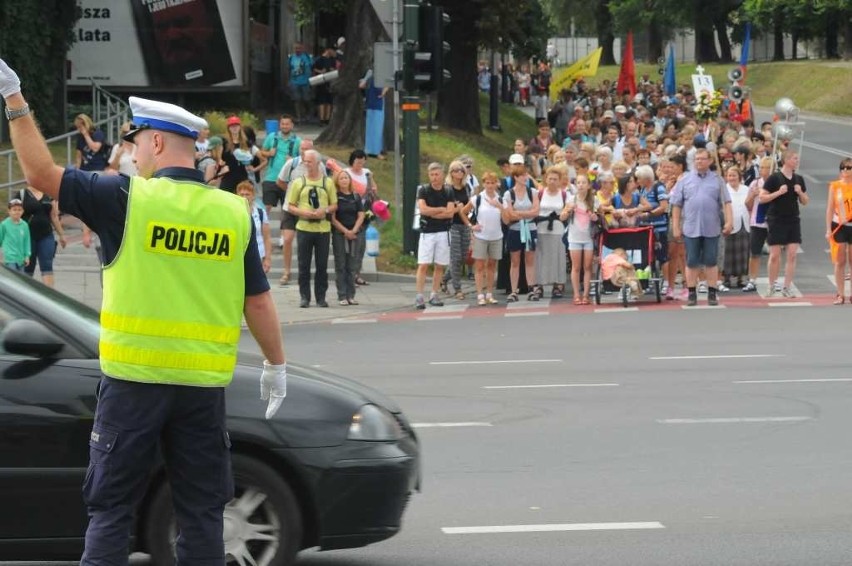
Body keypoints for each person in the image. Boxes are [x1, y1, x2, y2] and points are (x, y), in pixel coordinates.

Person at [0, 55, 287, 565]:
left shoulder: (125, 197)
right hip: (201, 388)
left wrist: (14, 99)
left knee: (112, 510)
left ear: (155, 143)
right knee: (201, 513)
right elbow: (257, 298)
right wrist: (275, 364)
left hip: (133, 382)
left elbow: (39, 173)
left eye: (134, 145)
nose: (132, 155)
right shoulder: (231, 211)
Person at [670, 148, 733, 307]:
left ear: (710, 161)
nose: (699, 162)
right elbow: (676, 205)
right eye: (697, 159)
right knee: (691, 261)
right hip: (691, 227)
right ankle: (692, 292)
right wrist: (676, 227)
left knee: (711, 261)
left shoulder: (717, 180)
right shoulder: (684, 180)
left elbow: (726, 202)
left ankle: (712, 292)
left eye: (703, 159)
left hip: (711, 227)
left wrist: (729, 222)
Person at [287, 149, 337, 308]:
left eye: (309, 161)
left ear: (317, 163)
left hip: (322, 229)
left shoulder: (327, 182)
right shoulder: (298, 182)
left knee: (322, 265)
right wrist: (304, 212)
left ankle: (321, 297)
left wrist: (325, 211)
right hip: (304, 227)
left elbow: (334, 204)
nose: (307, 164)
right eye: (305, 161)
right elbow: (290, 206)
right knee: (304, 265)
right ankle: (304, 296)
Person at [759, 149, 809, 297]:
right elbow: (762, 198)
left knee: (792, 254)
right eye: (794, 158)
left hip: (793, 219)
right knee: (774, 255)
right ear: (786, 160)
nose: (797, 161)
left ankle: (787, 287)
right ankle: (772, 285)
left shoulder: (799, 179)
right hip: (776, 219)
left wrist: (800, 192)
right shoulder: (774, 178)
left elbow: (805, 201)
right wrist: (778, 193)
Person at [276, 139, 325, 286]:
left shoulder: (319, 166)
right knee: (288, 239)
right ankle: (286, 271)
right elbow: (280, 181)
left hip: (309, 209)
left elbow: (324, 184)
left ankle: (306, 271)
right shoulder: (291, 164)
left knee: (308, 242)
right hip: (290, 208)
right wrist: (292, 194)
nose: (303, 152)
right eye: (302, 148)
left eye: (307, 149)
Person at [415, 162, 454, 309]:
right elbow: (423, 210)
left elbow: (450, 212)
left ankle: (434, 293)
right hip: (427, 232)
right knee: (424, 264)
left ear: (442, 175)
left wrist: (435, 213)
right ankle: (419, 295)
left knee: (440, 264)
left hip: (443, 231)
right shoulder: (424, 190)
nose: (434, 177)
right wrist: (439, 210)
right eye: (431, 174)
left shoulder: (448, 191)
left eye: (437, 174)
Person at [503, 164, 541, 302]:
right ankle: (514, 290)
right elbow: (509, 215)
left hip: (530, 229)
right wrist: (526, 214)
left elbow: (536, 212)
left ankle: (531, 288)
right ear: (516, 177)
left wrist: (518, 213)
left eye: (526, 175)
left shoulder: (533, 192)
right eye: (522, 175)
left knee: (530, 259)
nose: (526, 178)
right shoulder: (509, 193)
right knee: (515, 260)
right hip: (515, 230)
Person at [330, 169, 365, 305]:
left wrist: (354, 230)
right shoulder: (335, 197)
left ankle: (351, 295)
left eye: (346, 178)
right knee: (341, 264)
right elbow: (333, 218)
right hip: (340, 234)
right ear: (337, 181)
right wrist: (345, 231)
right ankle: (342, 295)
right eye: (341, 178)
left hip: (354, 234)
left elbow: (361, 215)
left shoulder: (356, 197)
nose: (344, 180)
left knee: (352, 265)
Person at [344, 149, 378, 287]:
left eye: (362, 161)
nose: (359, 164)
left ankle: (357, 274)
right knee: (351, 246)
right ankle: (349, 275)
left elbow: (375, 188)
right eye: (357, 161)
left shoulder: (367, 172)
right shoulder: (346, 173)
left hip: (364, 212)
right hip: (350, 213)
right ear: (352, 161)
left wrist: (371, 185)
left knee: (361, 245)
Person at [20, 184, 66, 287]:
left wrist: (62, 235)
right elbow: (14, 214)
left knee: (47, 265)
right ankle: (25, 296)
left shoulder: (48, 194)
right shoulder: (22, 194)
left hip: (46, 235)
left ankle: (49, 297)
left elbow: (54, 216)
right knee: (28, 267)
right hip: (28, 237)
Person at [441, 160, 473, 299]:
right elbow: (444, 208)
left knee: (463, 257)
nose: (459, 173)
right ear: (451, 173)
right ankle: (457, 288)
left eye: (461, 170)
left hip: (465, 223)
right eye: (455, 170)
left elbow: (469, 204)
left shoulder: (466, 187)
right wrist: (455, 208)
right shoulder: (447, 188)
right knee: (455, 256)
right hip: (452, 224)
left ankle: (444, 279)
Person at [470, 171, 503, 305]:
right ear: (483, 184)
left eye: (492, 183)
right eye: (487, 183)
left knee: (492, 265)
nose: (490, 185)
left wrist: (499, 206)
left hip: (496, 236)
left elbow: (507, 217)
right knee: (479, 265)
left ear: (496, 184)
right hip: (481, 236)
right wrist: (471, 225)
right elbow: (463, 211)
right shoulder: (477, 198)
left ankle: (489, 293)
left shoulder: (500, 199)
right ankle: (479, 294)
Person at [536, 167, 569, 299]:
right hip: (542, 228)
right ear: (546, 179)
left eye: (555, 179)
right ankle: (539, 284)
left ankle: (558, 284)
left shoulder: (564, 194)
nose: (552, 181)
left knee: (558, 257)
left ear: (560, 181)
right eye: (550, 179)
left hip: (558, 229)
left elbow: (567, 210)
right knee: (541, 257)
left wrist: (565, 214)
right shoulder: (540, 193)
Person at [565, 173, 598, 304]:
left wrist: (594, 217)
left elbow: (599, 218)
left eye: (584, 182)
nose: (581, 185)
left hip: (588, 237)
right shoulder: (571, 200)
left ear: (589, 185)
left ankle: (586, 295)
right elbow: (562, 217)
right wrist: (567, 211)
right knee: (576, 267)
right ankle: (576, 294)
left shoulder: (594, 200)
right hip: (574, 237)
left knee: (588, 267)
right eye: (578, 183)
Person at [260, 114, 301, 219]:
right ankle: (260, 229)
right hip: (271, 177)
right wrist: (269, 153)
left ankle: (284, 234)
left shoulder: (298, 141)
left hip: (288, 181)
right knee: (266, 207)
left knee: (286, 210)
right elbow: (262, 152)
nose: (284, 126)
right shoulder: (272, 137)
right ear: (279, 125)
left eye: (287, 124)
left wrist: (293, 159)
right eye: (282, 124)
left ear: (292, 125)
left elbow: (303, 159)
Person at [742, 156, 773, 293]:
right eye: (761, 167)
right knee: (754, 253)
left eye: (765, 167)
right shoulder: (755, 184)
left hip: (773, 221)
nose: (762, 170)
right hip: (757, 221)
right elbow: (747, 205)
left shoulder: (776, 183)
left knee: (774, 253)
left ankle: (774, 280)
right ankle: (752, 280)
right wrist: (752, 196)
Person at [825, 157, 852, 304]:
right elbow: (830, 208)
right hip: (839, 225)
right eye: (843, 168)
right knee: (840, 259)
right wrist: (828, 228)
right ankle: (840, 294)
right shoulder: (835, 186)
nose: (846, 171)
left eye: (849, 168)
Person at [722, 166, 751, 288]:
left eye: (734, 175)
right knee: (728, 252)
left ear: (739, 177)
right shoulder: (724, 190)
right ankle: (726, 278)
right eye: (729, 175)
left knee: (743, 252)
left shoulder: (746, 189)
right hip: (730, 223)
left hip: (745, 223)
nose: (732, 178)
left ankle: (741, 278)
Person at [237, 180, 272, 273]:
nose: (244, 197)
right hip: (238, 256)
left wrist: (267, 259)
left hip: (258, 256)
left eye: (247, 194)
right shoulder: (233, 213)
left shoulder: (261, 213)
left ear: (253, 196)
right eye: (241, 194)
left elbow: (267, 237)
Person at [360, 69, 389, 159]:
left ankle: (371, 150)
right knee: (375, 128)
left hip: (373, 104)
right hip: (375, 104)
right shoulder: (374, 76)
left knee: (373, 128)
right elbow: (362, 85)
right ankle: (373, 151)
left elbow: (361, 85)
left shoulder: (374, 76)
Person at [0, 198, 30, 272]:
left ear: (23, 211)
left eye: (19, 210)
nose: (17, 212)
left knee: (20, 280)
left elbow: (27, 242)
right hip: (9, 258)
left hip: (21, 258)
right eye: (14, 209)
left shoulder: (25, 225)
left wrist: (27, 256)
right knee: (12, 278)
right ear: (9, 211)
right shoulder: (4, 224)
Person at [288, 42, 314, 124]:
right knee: (297, 99)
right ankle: (299, 117)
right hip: (295, 81)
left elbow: (312, 67)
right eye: (296, 48)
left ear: (302, 48)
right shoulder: (291, 57)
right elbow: (289, 69)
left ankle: (309, 114)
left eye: (299, 48)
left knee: (307, 99)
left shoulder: (307, 57)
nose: (297, 50)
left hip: (305, 81)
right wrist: (289, 80)